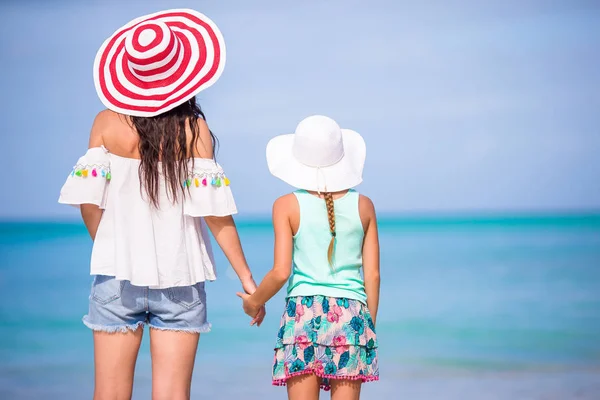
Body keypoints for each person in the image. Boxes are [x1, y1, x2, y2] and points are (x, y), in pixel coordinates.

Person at [58, 9, 264, 400]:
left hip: (116, 276)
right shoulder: (193, 129)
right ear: (182, 73)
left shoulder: (105, 123)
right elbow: (215, 213)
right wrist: (248, 281)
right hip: (180, 278)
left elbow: (88, 203)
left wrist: (114, 247)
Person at [238, 115, 380, 400]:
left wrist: (254, 302)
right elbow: (373, 276)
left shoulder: (286, 205)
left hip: (303, 314)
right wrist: (367, 328)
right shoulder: (364, 205)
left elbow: (280, 272)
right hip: (351, 314)